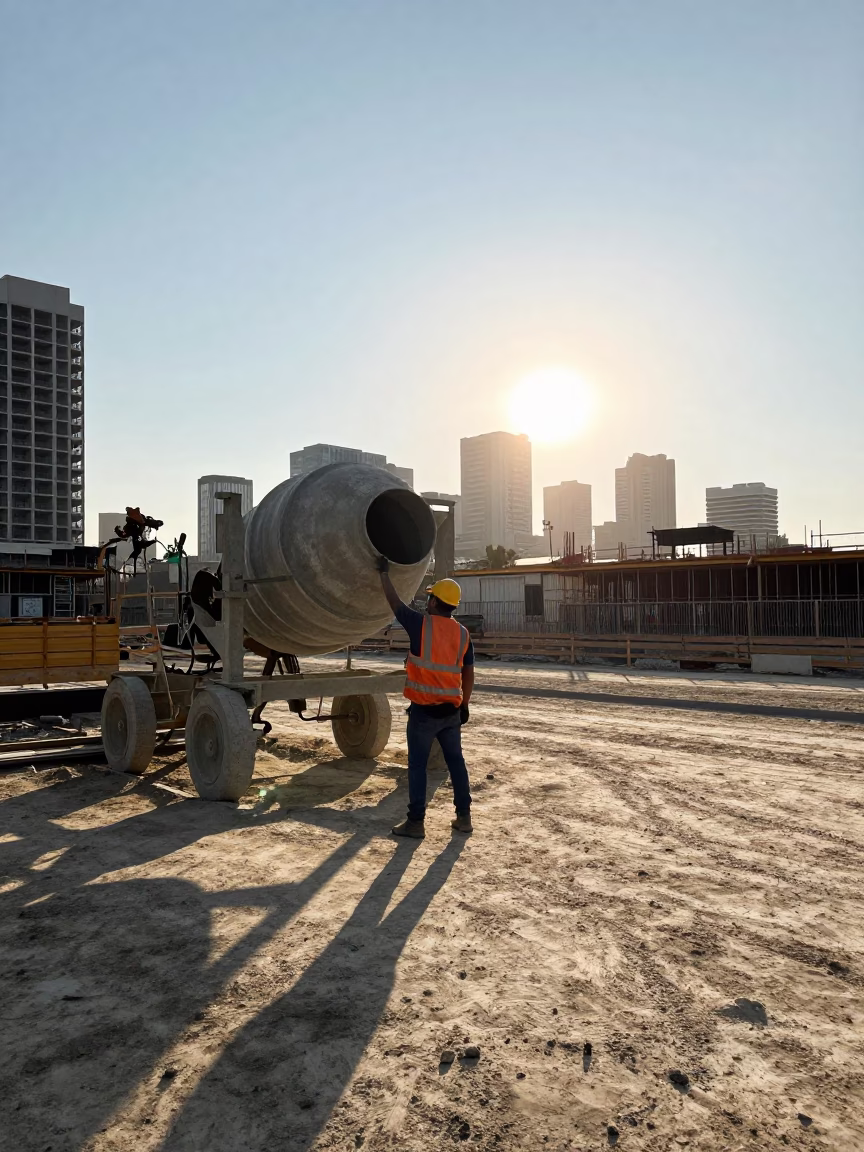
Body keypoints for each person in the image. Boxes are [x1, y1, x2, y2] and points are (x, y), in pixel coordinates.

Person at [376, 558, 474, 839]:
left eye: (429, 597)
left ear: (433, 602)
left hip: (423, 714)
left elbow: (395, 603)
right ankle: (464, 817)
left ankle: (416, 822)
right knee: (456, 762)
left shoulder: (421, 625)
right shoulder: (463, 633)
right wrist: (464, 703)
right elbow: (468, 672)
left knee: (417, 766)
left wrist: (384, 573)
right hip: (450, 713)